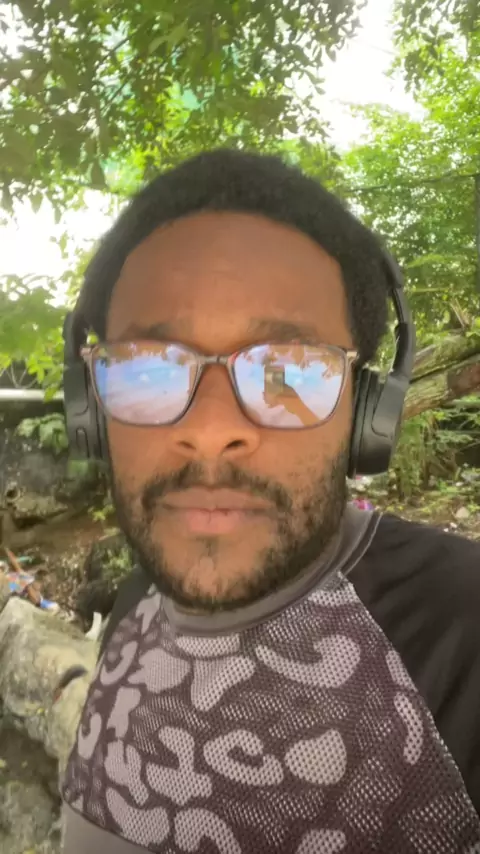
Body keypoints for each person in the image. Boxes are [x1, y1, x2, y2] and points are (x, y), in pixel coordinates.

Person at [61, 150, 480, 854]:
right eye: (148, 368)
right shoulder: (137, 599)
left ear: (366, 416)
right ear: (90, 411)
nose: (210, 431)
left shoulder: (462, 628)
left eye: (289, 371)